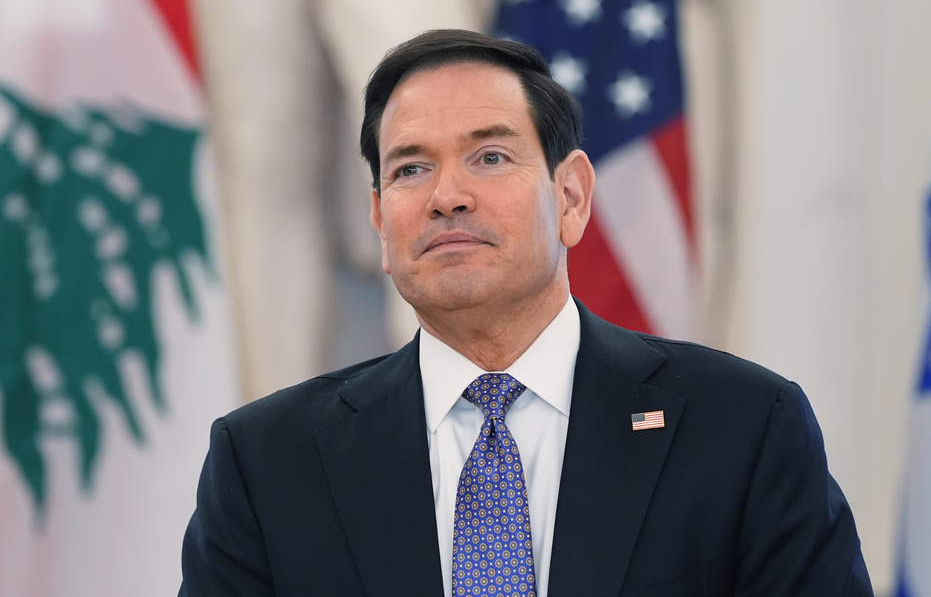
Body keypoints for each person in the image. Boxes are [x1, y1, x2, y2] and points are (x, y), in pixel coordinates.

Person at [179, 29, 873, 597]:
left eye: (489, 156)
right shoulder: (268, 463)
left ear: (570, 196)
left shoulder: (742, 427)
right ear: (380, 221)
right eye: (410, 169)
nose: (447, 195)